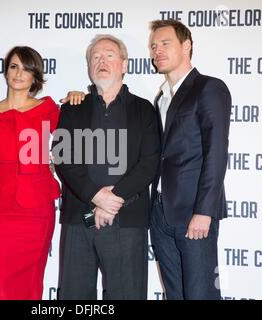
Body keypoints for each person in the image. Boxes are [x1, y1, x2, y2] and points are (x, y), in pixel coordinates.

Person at [54, 34, 160, 300]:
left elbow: (149, 164)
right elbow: (63, 159)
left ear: (124, 65)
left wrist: (113, 199)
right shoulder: (72, 109)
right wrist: (96, 195)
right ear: (89, 67)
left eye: (109, 55)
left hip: (128, 221)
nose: (101, 61)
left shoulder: (145, 110)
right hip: (79, 219)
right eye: (95, 57)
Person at [0, 46, 67, 300]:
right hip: (2, 211)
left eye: (26, 68)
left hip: (37, 211)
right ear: (6, 72)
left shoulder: (49, 110)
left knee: (31, 284)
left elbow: (70, 148)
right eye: (14, 66)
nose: (18, 73)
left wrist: (82, 97)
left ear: (35, 77)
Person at [148, 19, 231, 300]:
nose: (157, 50)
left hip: (194, 214)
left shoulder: (208, 88)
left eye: (165, 43)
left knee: (200, 295)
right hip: (160, 214)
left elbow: (216, 152)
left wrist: (204, 211)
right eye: (153, 46)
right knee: (175, 295)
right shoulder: (160, 98)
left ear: (187, 46)